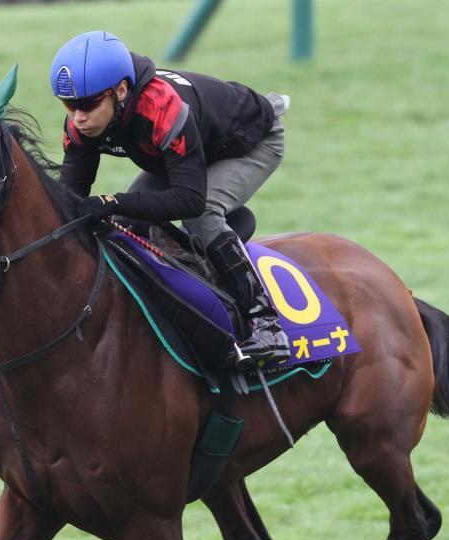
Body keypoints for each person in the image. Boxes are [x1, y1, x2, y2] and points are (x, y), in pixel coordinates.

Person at [49, 30, 290, 366]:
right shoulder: (83, 119)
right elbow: (71, 199)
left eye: (88, 104)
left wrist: (112, 201)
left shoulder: (160, 107)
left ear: (120, 91)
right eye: (69, 105)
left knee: (202, 214)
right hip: (188, 151)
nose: (78, 117)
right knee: (121, 224)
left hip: (252, 142)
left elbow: (189, 200)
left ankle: (265, 323)